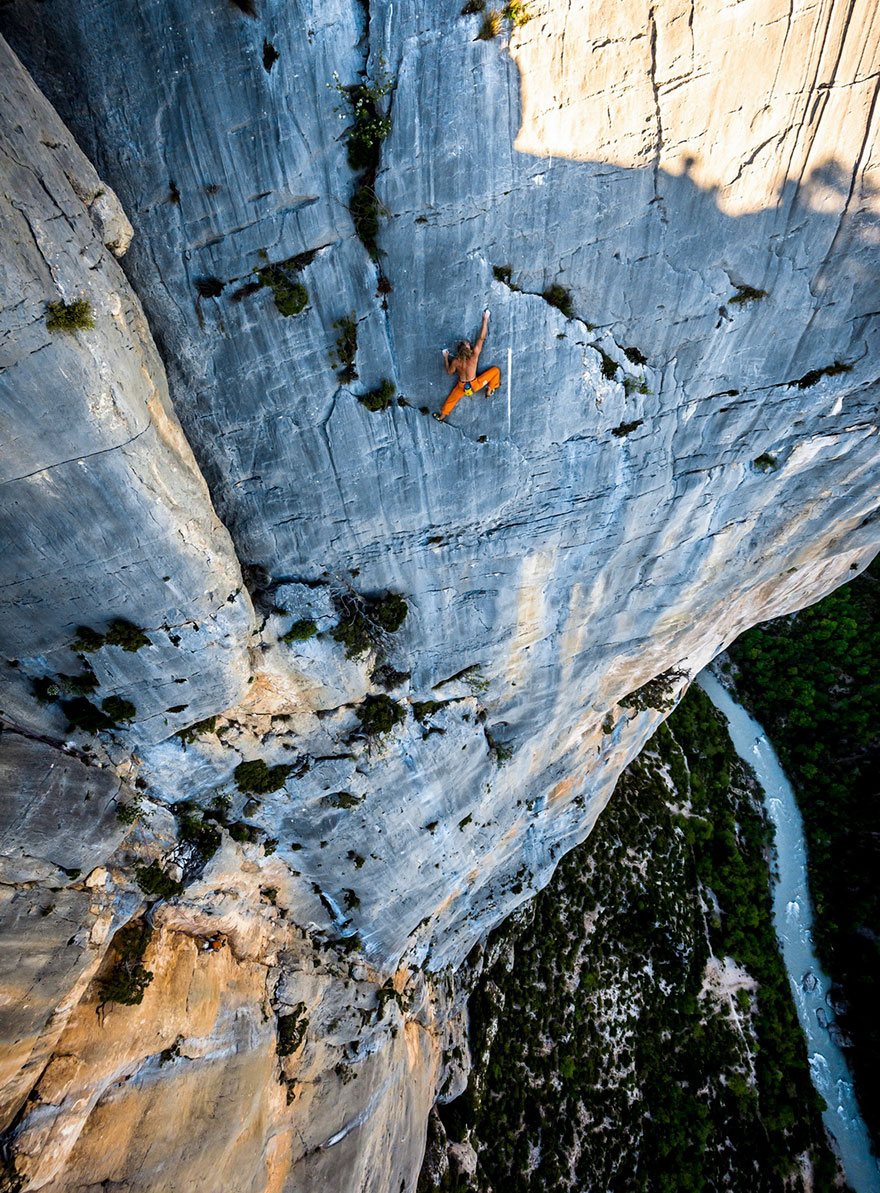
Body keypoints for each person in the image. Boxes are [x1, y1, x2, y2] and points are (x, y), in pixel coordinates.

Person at [435, 308, 501, 421]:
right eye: (468, 345)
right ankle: (490, 389)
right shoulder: (474, 356)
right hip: (475, 384)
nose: (469, 343)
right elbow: (481, 338)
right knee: (495, 371)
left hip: (461, 386)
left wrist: (446, 358)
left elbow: (449, 372)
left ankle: (442, 416)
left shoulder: (456, 361)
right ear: (468, 349)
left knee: (451, 399)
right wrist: (485, 319)